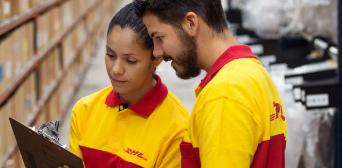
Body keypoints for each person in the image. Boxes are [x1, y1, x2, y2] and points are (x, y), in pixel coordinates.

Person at [134, 0, 287, 167]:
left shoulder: (224, 94)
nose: (157, 51)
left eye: (159, 37)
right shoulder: (253, 72)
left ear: (190, 23)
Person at [68, 3, 190, 167]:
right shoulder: (84, 111)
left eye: (130, 60)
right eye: (110, 55)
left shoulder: (178, 130)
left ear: (156, 58)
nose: (116, 69)